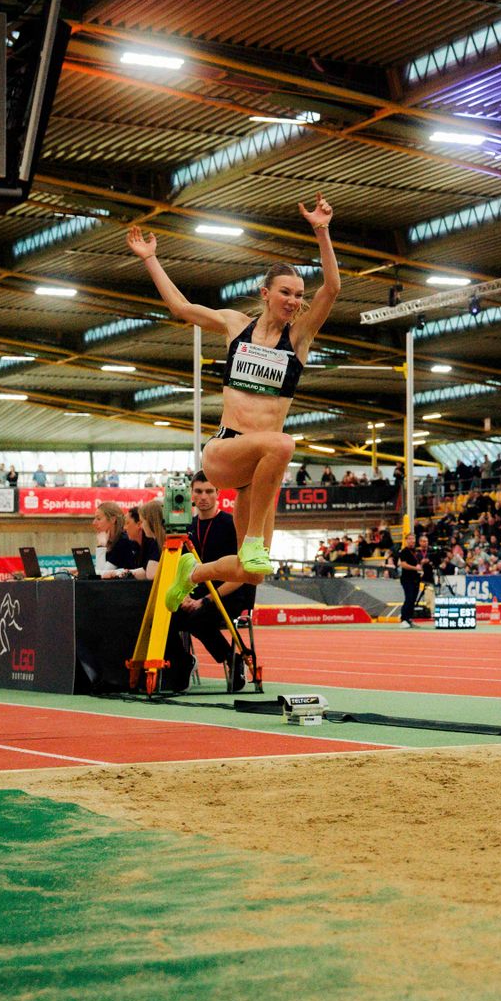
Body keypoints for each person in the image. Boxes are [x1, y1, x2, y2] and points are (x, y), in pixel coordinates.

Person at [130, 195, 339, 587]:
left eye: (298, 295)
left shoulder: (299, 339)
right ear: (265, 293)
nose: (294, 301)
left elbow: (332, 287)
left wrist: (322, 230)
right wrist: (149, 258)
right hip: (226, 450)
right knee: (283, 444)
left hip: (257, 475)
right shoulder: (235, 325)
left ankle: (192, 574)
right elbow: (181, 307)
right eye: (286, 293)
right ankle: (254, 541)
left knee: (252, 573)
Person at [163, 473, 251, 686]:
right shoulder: (186, 527)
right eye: (199, 491)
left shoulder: (231, 524)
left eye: (209, 491)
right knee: (163, 619)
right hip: (195, 594)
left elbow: (242, 574)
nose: (204, 497)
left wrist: (205, 600)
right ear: (191, 494)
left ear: (218, 493)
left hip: (228, 595)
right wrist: (183, 597)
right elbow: (179, 570)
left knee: (197, 618)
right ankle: (183, 663)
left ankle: (233, 659)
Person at [93, 501, 144, 578]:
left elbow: (100, 575)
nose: (94, 523)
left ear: (113, 520)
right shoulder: (112, 542)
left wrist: (100, 546)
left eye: (98, 519)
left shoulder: (123, 541)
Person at [397, 533, 426, 628]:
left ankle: (409, 619)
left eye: (413, 539)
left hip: (415, 579)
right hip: (407, 579)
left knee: (413, 600)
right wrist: (415, 568)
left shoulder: (416, 552)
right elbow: (403, 564)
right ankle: (403, 619)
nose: (412, 541)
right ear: (406, 540)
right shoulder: (404, 551)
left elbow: (419, 564)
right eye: (410, 539)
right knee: (408, 599)